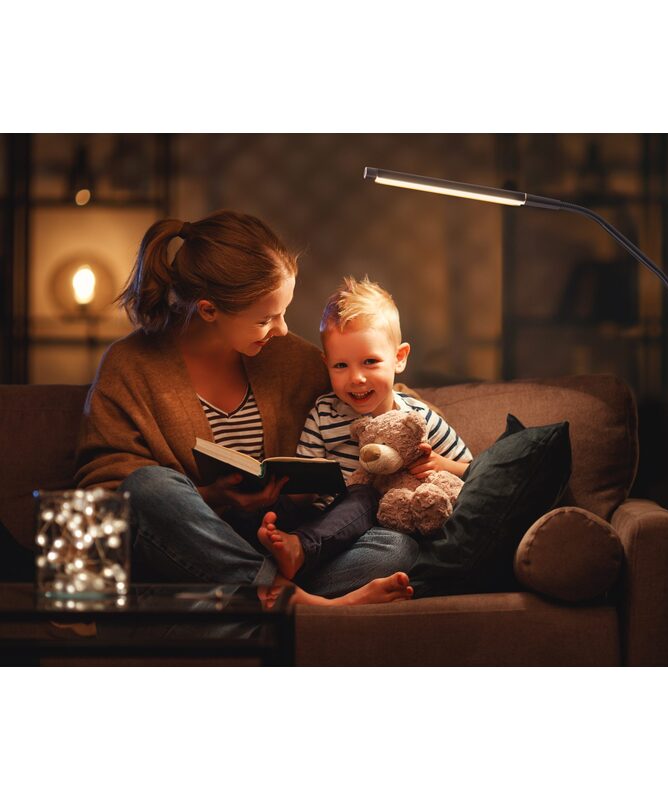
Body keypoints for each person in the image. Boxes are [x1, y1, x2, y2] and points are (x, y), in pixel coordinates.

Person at [74, 210, 417, 605]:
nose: (283, 329)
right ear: (208, 310)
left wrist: (425, 445)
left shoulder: (291, 360)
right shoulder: (131, 366)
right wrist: (212, 495)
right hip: (194, 552)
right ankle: (297, 604)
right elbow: (106, 493)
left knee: (396, 547)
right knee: (147, 487)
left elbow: (374, 395)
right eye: (266, 318)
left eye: (284, 312)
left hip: (281, 546)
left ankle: (253, 602)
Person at [260, 276, 472, 579]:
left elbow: (473, 469)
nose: (356, 378)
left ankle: (290, 570)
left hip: (372, 532)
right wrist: (288, 492)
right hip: (320, 520)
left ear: (399, 358)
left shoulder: (418, 417)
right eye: (341, 366)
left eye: (370, 362)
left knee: (397, 546)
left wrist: (441, 464)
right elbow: (303, 483)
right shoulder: (324, 412)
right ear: (326, 364)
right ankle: (286, 558)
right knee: (269, 514)